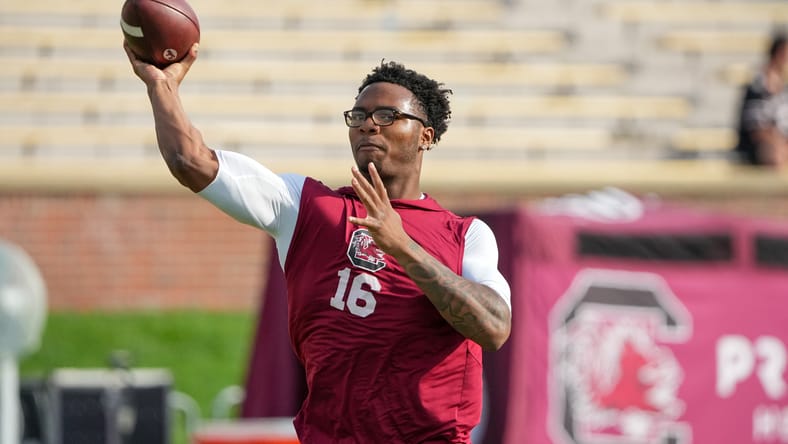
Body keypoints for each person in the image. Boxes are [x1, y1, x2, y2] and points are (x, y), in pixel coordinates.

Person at [125, 42, 512, 443]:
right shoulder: (307, 207)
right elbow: (191, 162)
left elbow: (495, 327)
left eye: (386, 115)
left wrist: (402, 245)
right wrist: (161, 86)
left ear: (425, 136)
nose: (368, 125)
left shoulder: (465, 235)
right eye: (358, 115)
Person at [734, 32, 788, 167]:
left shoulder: (784, 88)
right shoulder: (757, 86)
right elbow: (755, 128)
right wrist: (777, 143)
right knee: (773, 154)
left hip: (781, 144)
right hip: (758, 148)